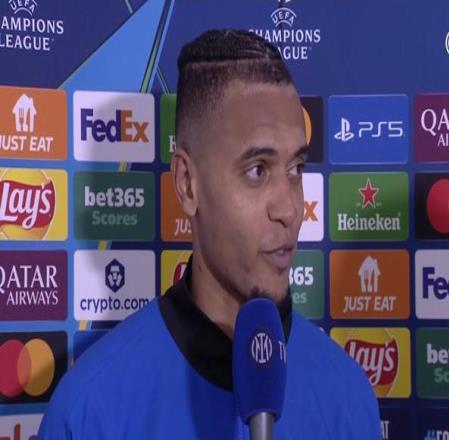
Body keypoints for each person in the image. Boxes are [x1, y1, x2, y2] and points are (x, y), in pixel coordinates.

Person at [38, 29, 380, 439]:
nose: (290, 209)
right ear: (187, 184)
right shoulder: (90, 411)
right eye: (257, 170)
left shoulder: (347, 396)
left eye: (295, 169)